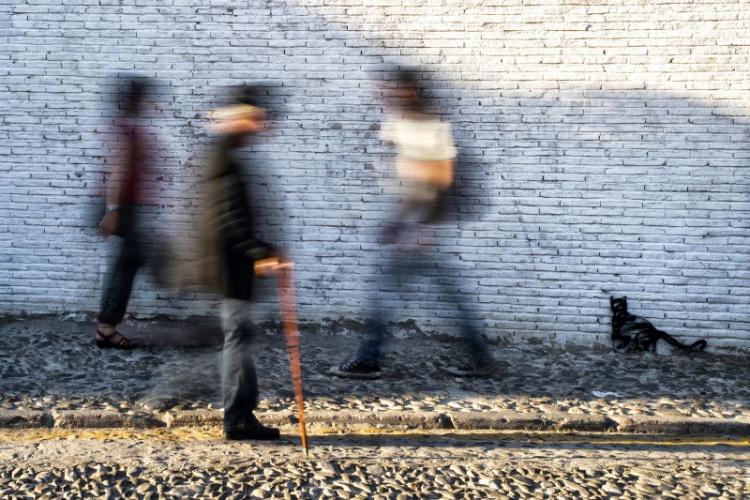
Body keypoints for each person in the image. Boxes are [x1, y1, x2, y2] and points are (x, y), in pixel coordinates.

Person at [330, 67, 496, 379]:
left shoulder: (429, 124)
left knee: (387, 293)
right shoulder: (405, 124)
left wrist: (426, 228)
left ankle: (368, 359)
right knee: (446, 295)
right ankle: (481, 356)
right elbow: (413, 184)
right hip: (413, 224)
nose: (382, 94)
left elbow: (442, 179)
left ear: (407, 91)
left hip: (422, 227)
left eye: (390, 89)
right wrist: (395, 221)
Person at [199, 85, 282, 441]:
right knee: (237, 338)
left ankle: (242, 414)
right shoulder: (224, 158)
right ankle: (237, 418)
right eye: (257, 118)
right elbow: (228, 220)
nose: (262, 126)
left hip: (234, 266)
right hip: (229, 268)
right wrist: (262, 252)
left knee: (240, 337)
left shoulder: (228, 153)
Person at [96, 76, 159, 349]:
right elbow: (116, 171)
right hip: (124, 209)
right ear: (135, 100)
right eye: (145, 98)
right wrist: (113, 210)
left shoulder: (130, 129)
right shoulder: (126, 132)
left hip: (129, 208)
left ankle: (107, 326)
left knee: (128, 263)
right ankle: (106, 328)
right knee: (126, 264)